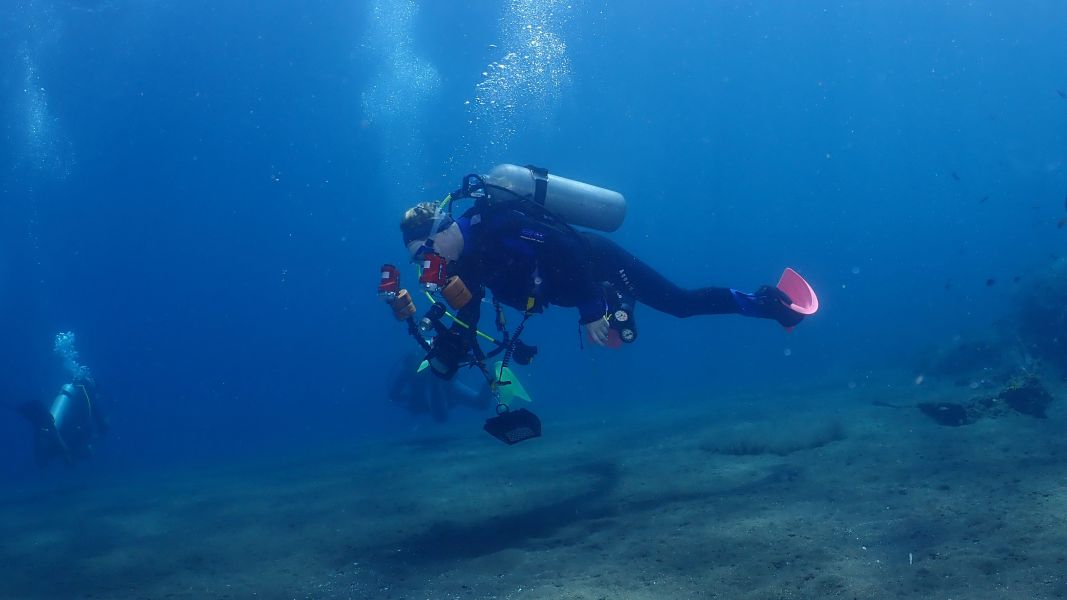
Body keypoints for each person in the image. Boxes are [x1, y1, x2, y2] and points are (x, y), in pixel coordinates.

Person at [397, 166, 809, 375]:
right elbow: (469, 312)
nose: (426, 263)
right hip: (572, 288)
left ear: (443, 229)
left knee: (679, 304)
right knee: (618, 317)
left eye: (425, 252)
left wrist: (592, 309)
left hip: (597, 261)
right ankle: (617, 303)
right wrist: (446, 349)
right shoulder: (462, 263)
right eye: (418, 259)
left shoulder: (497, 224)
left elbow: (566, 247)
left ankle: (769, 304)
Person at [387, 351, 492, 421]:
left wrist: (414, 400)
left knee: (480, 404)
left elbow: (394, 395)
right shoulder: (407, 374)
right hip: (447, 389)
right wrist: (413, 400)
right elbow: (394, 395)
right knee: (480, 404)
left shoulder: (417, 372)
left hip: (448, 387)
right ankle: (492, 377)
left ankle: (492, 377)